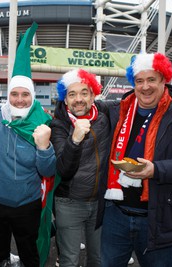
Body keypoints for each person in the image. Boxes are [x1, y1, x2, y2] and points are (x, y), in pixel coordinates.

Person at [99, 53, 172, 267]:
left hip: (159, 217)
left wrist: (156, 170)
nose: (145, 87)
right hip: (115, 214)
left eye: (151, 79)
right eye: (139, 81)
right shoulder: (118, 111)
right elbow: (80, 107)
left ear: (164, 80)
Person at [0, 23, 56, 267]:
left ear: (32, 97)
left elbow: (48, 171)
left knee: (29, 254)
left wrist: (44, 148)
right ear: (8, 94)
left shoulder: (43, 123)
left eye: (25, 95)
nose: (20, 100)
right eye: (15, 94)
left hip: (26, 204)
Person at [50, 68, 108, 267]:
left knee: (98, 259)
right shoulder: (58, 126)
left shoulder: (105, 116)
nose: (79, 99)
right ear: (65, 100)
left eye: (84, 93)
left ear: (93, 96)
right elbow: (63, 170)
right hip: (69, 203)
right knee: (69, 261)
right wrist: (74, 140)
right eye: (72, 94)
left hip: (100, 203)